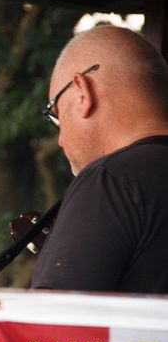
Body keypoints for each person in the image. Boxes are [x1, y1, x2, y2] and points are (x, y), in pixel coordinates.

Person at [31, 25, 168, 293]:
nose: (59, 141)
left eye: (56, 113)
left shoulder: (109, 181)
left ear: (83, 91)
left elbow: (50, 330)